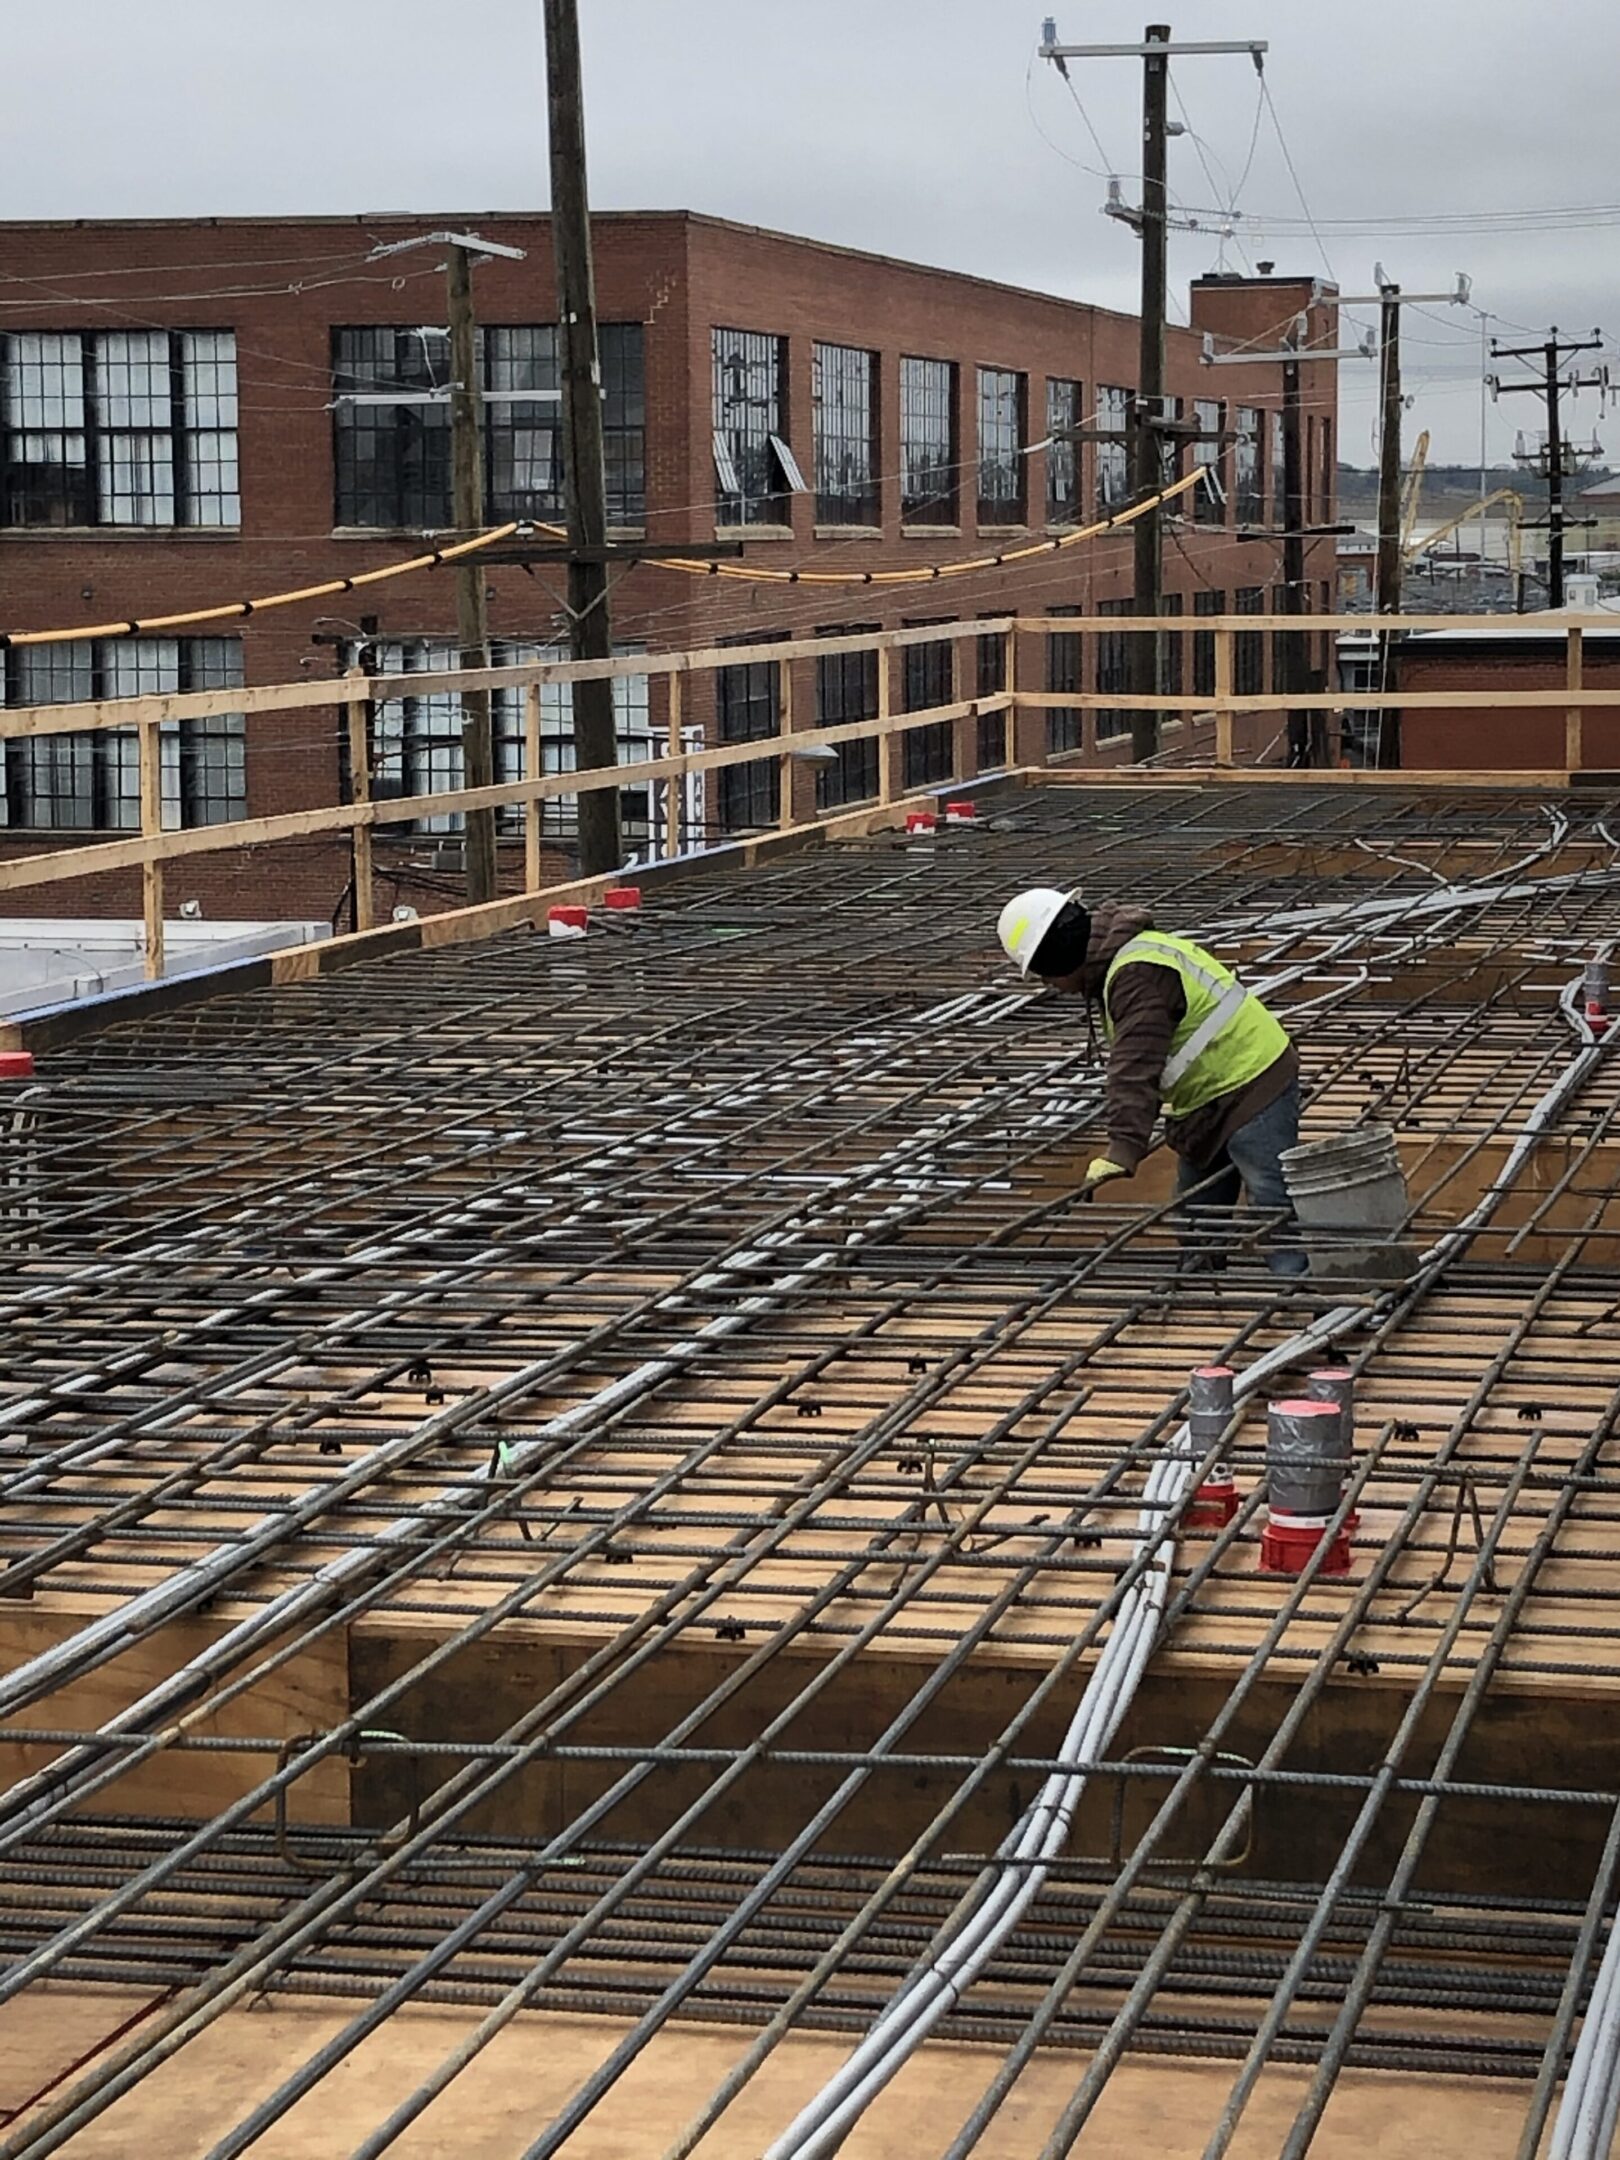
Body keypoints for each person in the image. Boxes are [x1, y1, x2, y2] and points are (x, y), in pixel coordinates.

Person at [996, 885, 1305, 1275]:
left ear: (1057, 959)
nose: (1048, 986)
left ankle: (1303, 1295)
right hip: (1206, 1100)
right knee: (1196, 1208)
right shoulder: (1123, 960)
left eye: (1043, 975)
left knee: (1272, 1202)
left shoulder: (1135, 974)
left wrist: (1123, 1147)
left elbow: (1135, 1063)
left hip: (1252, 1080)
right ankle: (1202, 1288)